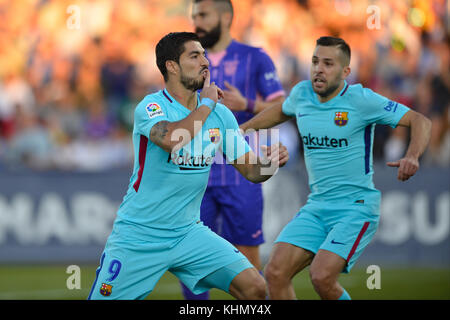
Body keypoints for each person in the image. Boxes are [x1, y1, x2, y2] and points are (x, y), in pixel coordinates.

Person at [88, 32, 289, 300]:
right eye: (194, 56)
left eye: (205, 54)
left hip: (188, 233)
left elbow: (252, 171)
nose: (205, 62)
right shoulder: (152, 107)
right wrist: (206, 104)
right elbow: (173, 140)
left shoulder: (220, 115)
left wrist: (270, 163)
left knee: (255, 288)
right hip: (140, 235)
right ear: (171, 65)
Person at [240, 36, 432, 300]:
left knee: (321, 276)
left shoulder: (362, 100)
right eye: (315, 61)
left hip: (356, 207)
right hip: (317, 206)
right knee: (274, 272)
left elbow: (420, 120)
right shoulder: (302, 94)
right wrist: (243, 129)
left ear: (345, 72)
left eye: (328, 63)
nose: (319, 68)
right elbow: (281, 111)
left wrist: (412, 155)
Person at [180, 0, 285, 300]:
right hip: (197, 173)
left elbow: (285, 108)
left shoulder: (255, 57)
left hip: (242, 173)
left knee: (249, 263)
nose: (196, 22)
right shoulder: (186, 60)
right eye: (193, 16)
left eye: (203, 15)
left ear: (226, 17)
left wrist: (248, 105)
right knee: (191, 258)